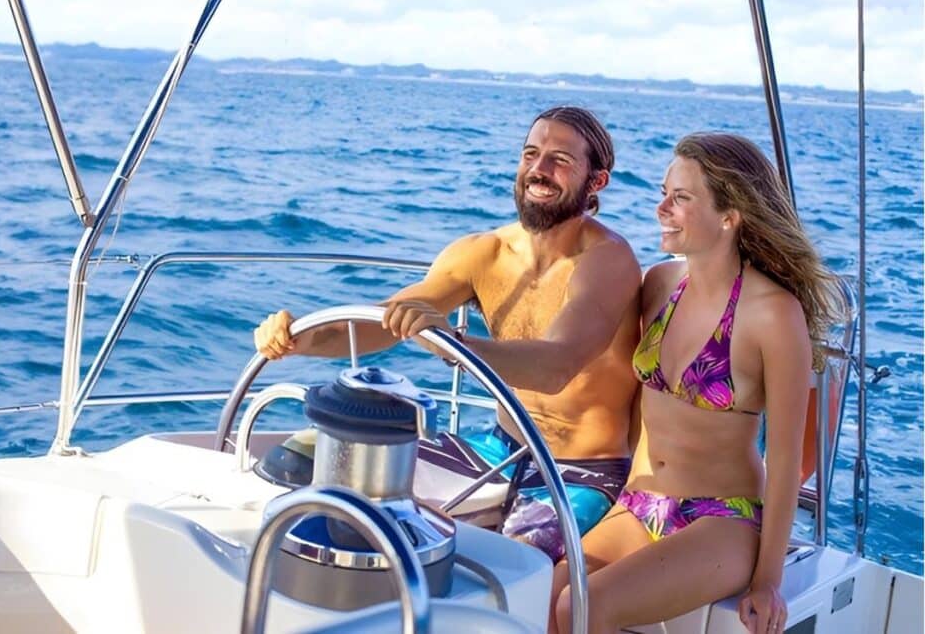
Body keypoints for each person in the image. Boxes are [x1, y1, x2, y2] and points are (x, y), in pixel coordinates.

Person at [255, 106, 642, 562]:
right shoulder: (483, 253)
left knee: (516, 564)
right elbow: (386, 319)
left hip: (581, 471)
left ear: (596, 182)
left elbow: (557, 365)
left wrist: (455, 347)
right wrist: (299, 336)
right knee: (321, 472)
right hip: (497, 447)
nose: (538, 171)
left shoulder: (608, 262)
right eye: (531, 154)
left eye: (560, 160)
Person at [550, 133, 844, 634]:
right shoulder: (660, 284)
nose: (661, 207)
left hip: (724, 518)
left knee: (587, 605)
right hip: (641, 503)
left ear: (730, 216)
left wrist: (767, 581)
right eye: (664, 193)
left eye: (680, 198)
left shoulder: (773, 314)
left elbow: (789, 457)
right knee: (555, 586)